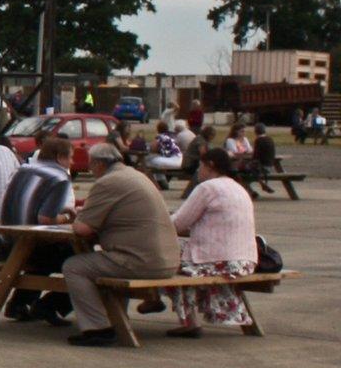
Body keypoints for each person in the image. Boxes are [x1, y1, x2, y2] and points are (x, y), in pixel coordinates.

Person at [62, 142, 180, 347]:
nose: (90, 169)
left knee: (74, 266)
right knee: (108, 261)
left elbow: (82, 229)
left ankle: (97, 328)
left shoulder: (108, 182)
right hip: (167, 260)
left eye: (91, 164)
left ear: (99, 164)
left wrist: (75, 218)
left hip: (140, 261)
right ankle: (115, 319)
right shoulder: (135, 175)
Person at [165, 148, 260, 337]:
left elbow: (178, 223)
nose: (198, 171)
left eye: (200, 166)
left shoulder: (207, 188)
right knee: (180, 253)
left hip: (219, 260)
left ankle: (189, 323)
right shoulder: (238, 187)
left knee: (167, 262)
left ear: (210, 166)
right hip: (245, 260)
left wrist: (161, 219)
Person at [0, 134, 78, 323]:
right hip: (31, 248)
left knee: (47, 260)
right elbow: (45, 218)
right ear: (59, 157)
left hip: (6, 244)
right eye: (70, 157)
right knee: (82, 262)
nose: (72, 162)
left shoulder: (22, 170)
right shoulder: (60, 178)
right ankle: (50, 306)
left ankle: (19, 304)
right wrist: (67, 217)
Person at [247, 123, 279, 195]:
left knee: (242, 171)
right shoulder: (270, 139)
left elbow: (256, 156)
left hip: (262, 167)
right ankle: (261, 184)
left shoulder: (258, 140)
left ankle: (250, 190)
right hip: (270, 165)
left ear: (255, 131)